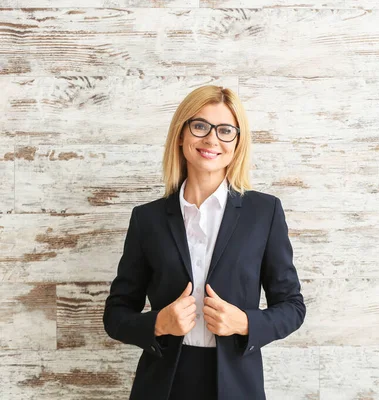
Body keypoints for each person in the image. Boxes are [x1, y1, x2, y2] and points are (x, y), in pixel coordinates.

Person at [103, 85, 306, 400]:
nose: (212, 139)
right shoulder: (147, 219)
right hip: (163, 386)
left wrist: (245, 323)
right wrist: (158, 323)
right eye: (200, 126)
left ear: (237, 144)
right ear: (181, 134)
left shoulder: (264, 213)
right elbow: (116, 315)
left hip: (237, 384)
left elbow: (292, 307)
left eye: (225, 130)